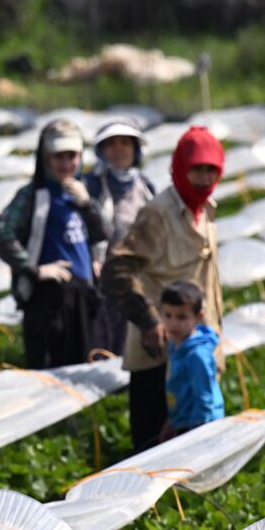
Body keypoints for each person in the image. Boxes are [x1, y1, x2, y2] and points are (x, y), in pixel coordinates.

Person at [102, 125, 225, 454]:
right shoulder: (158, 214)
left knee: (195, 444)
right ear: (179, 169)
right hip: (159, 350)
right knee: (153, 446)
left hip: (197, 343)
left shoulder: (207, 210)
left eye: (210, 170)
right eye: (195, 169)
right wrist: (149, 320)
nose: (202, 178)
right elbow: (116, 269)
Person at [0, 118, 107, 369]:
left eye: (71, 156)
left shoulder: (82, 192)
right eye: (58, 157)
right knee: (51, 370)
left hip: (83, 297)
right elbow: (0, 234)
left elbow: (103, 232)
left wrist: (87, 205)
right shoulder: (33, 195)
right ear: (45, 158)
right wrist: (34, 269)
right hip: (50, 300)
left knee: (84, 370)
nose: (66, 164)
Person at [82, 118, 156, 356]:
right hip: (101, 271)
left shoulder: (144, 185)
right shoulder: (90, 184)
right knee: (103, 329)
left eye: (125, 143)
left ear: (136, 150)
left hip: (136, 271)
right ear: (102, 151)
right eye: (111, 144)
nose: (119, 150)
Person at [157, 281, 223, 440]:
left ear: (198, 317)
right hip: (183, 419)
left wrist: (196, 433)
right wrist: (172, 421)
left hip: (201, 424)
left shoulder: (196, 355)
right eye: (168, 315)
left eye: (181, 317)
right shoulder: (176, 344)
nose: (173, 323)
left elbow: (204, 397)